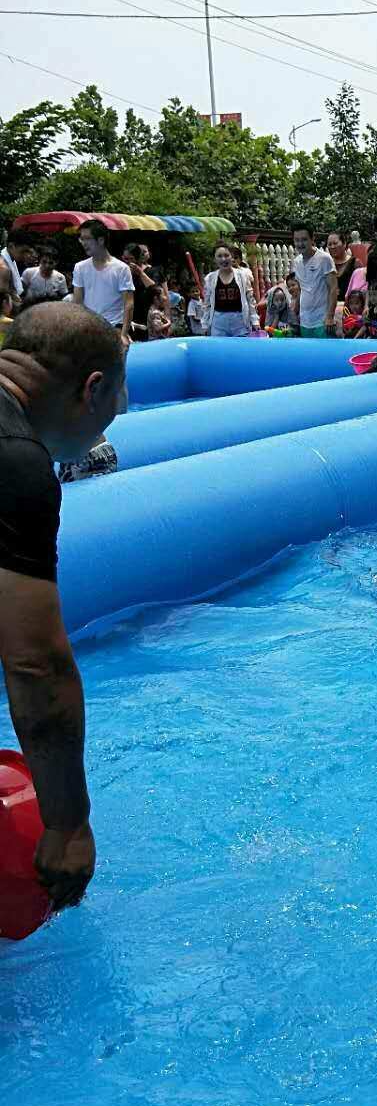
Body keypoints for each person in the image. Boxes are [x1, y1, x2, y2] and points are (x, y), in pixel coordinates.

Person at [0, 303, 127, 910]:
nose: (119, 416)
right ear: (92, 389)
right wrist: (67, 822)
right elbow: (35, 663)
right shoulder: (15, 462)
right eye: (116, 402)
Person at [72, 220, 134, 347]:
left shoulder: (121, 268)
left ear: (101, 240)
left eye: (87, 239)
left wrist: (123, 334)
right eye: (81, 239)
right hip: (89, 328)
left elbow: (128, 303)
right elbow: (77, 303)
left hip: (114, 328)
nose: (83, 243)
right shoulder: (80, 267)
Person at [201, 242, 260, 338]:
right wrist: (205, 325)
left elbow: (250, 300)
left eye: (226, 255)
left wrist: (255, 320)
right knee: (220, 351)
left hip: (240, 321)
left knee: (240, 350)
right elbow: (207, 304)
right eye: (219, 256)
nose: (223, 259)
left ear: (231, 257)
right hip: (218, 322)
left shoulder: (243, 276)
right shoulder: (210, 278)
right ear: (214, 259)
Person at [291, 224, 337, 338]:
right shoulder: (296, 262)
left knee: (324, 355)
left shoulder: (324, 259)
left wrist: (330, 317)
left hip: (322, 322)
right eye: (297, 240)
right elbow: (301, 290)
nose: (300, 244)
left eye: (304, 239)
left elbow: (333, 288)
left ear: (312, 239)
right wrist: (294, 313)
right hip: (304, 321)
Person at [19, 243, 68, 308]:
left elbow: (63, 297)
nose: (47, 266)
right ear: (39, 261)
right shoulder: (29, 273)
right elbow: (21, 292)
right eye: (44, 262)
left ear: (56, 263)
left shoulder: (60, 278)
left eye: (51, 263)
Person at [0, 228, 32, 313]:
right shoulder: (3, 269)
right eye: (23, 251)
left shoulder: (9, 262)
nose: (26, 255)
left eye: (27, 251)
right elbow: (3, 301)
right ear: (11, 246)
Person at [326, 230, 362, 300]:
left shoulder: (355, 263)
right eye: (329, 244)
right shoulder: (326, 264)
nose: (332, 247)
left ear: (344, 244)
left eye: (335, 243)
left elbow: (361, 290)